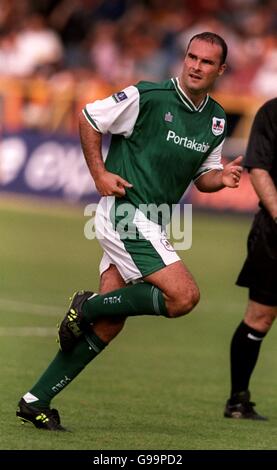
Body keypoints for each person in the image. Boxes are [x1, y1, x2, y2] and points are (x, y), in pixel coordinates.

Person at [16, 31, 243, 431]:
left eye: (206, 61)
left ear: (220, 69)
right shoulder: (149, 96)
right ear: (183, 58)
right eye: (191, 56)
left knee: (110, 323)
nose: (195, 65)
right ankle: (85, 307)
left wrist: (221, 179)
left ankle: (36, 399)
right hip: (126, 216)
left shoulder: (217, 119)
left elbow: (203, 176)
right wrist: (99, 172)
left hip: (152, 221)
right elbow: (89, 117)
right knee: (183, 297)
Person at [224, 98, 277, 421]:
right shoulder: (272, 113)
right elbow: (258, 169)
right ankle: (238, 400)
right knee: (260, 316)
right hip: (274, 236)